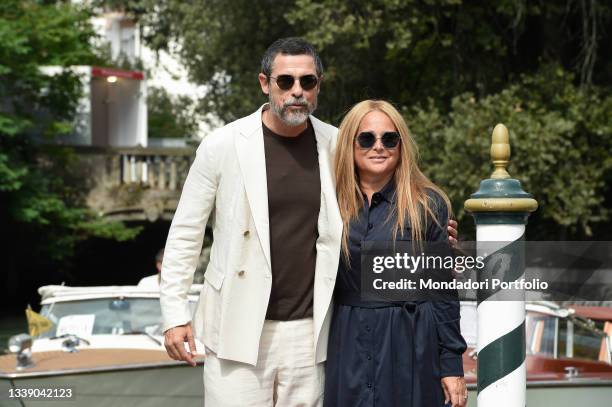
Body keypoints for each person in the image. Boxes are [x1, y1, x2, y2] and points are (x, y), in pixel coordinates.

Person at [160, 38, 458, 406]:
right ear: (265, 83)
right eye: (286, 81)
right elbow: (185, 234)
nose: (297, 91)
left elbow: (381, 195)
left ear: (319, 86)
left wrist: (428, 228)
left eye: (308, 82)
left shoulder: (337, 144)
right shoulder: (222, 144)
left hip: (312, 332)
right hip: (236, 326)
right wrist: (174, 315)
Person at [324, 100, 468, 407]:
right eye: (366, 138)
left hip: (412, 344)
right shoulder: (328, 204)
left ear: (401, 145)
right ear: (350, 144)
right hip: (348, 342)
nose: (379, 147)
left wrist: (452, 365)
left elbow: (443, 293)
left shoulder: (429, 205)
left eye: (389, 139)